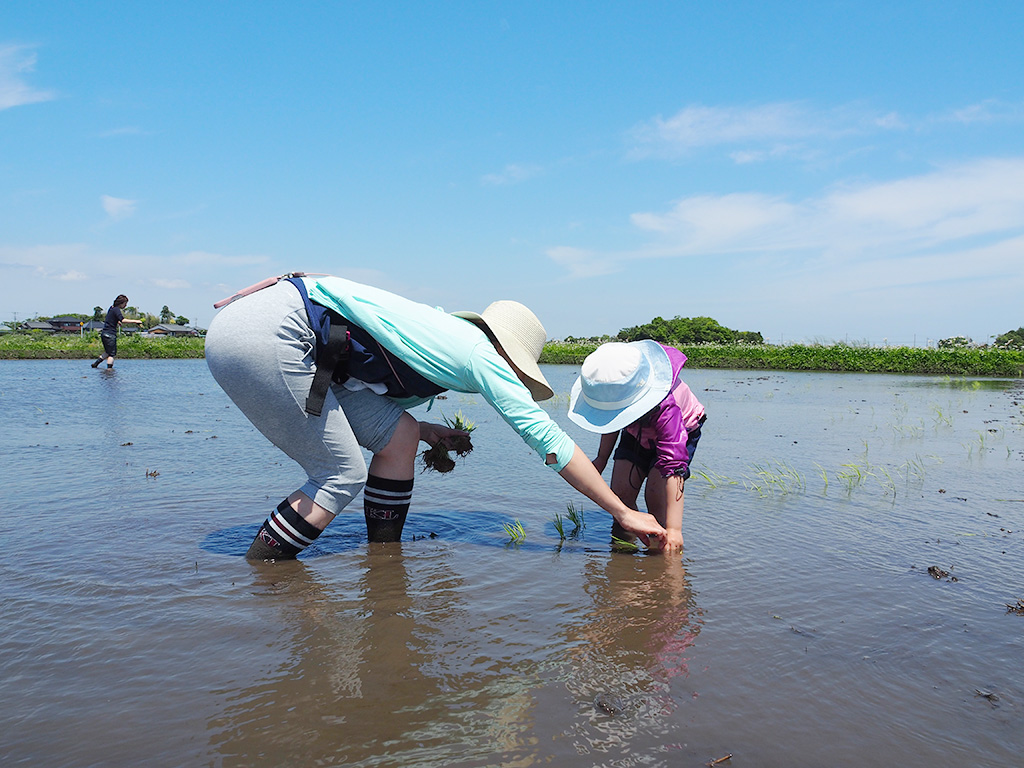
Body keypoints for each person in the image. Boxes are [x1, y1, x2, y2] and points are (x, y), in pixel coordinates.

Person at [204, 274, 667, 560]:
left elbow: (336, 309)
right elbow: (547, 439)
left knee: (401, 435)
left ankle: (383, 562)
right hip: (272, 334)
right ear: (510, 354)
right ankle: (261, 577)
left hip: (274, 325)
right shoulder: (480, 355)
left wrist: (428, 432)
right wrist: (623, 512)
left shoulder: (440, 331)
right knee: (340, 475)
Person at [567, 341, 706, 553]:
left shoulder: (666, 407)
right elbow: (610, 422)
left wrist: (675, 529)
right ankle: (622, 553)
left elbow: (673, 465)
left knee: (656, 496)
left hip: (680, 432)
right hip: (636, 432)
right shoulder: (617, 395)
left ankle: (661, 548)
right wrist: (601, 458)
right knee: (620, 493)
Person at [91, 294, 132, 369]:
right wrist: (136, 321)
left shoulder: (111, 308)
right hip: (110, 335)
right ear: (121, 303)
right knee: (111, 354)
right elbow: (123, 320)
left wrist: (117, 321)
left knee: (108, 352)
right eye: (125, 303)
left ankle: (95, 364)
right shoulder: (116, 309)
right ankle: (109, 370)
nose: (125, 305)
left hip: (104, 334)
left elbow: (111, 317)